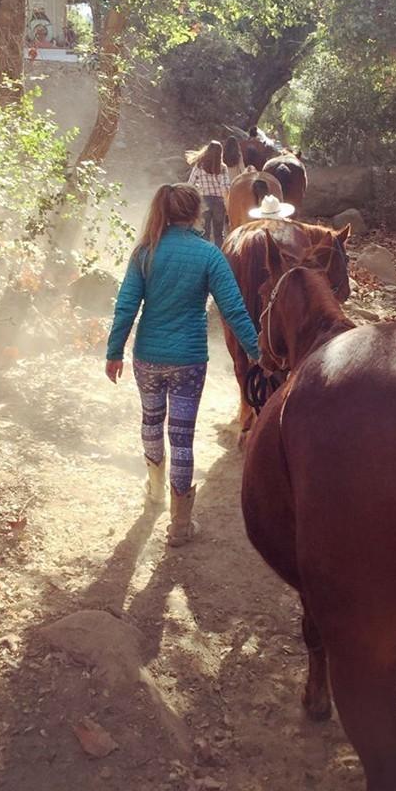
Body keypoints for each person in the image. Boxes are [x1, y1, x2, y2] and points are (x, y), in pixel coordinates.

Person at [105, 184, 260, 546]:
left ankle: (155, 491)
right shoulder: (209, 255)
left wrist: (114, 352)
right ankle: (179, 523)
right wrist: (257, 350)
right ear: (196, 212)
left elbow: (126, 306)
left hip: (148, 357)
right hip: (189, 360)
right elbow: (233, 309)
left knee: (151, 422)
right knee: (182, 437)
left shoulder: (145, 252)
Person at [187, 141, 230, 247]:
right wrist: (227, 206)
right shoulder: (223, 168)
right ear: (220, 153)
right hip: (219, 203)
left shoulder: (199, 166)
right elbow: (225, 188)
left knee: (205, 232)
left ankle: (204, 255)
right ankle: (219, 255)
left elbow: (190, 184)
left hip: (204, 201)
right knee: (219, 233)